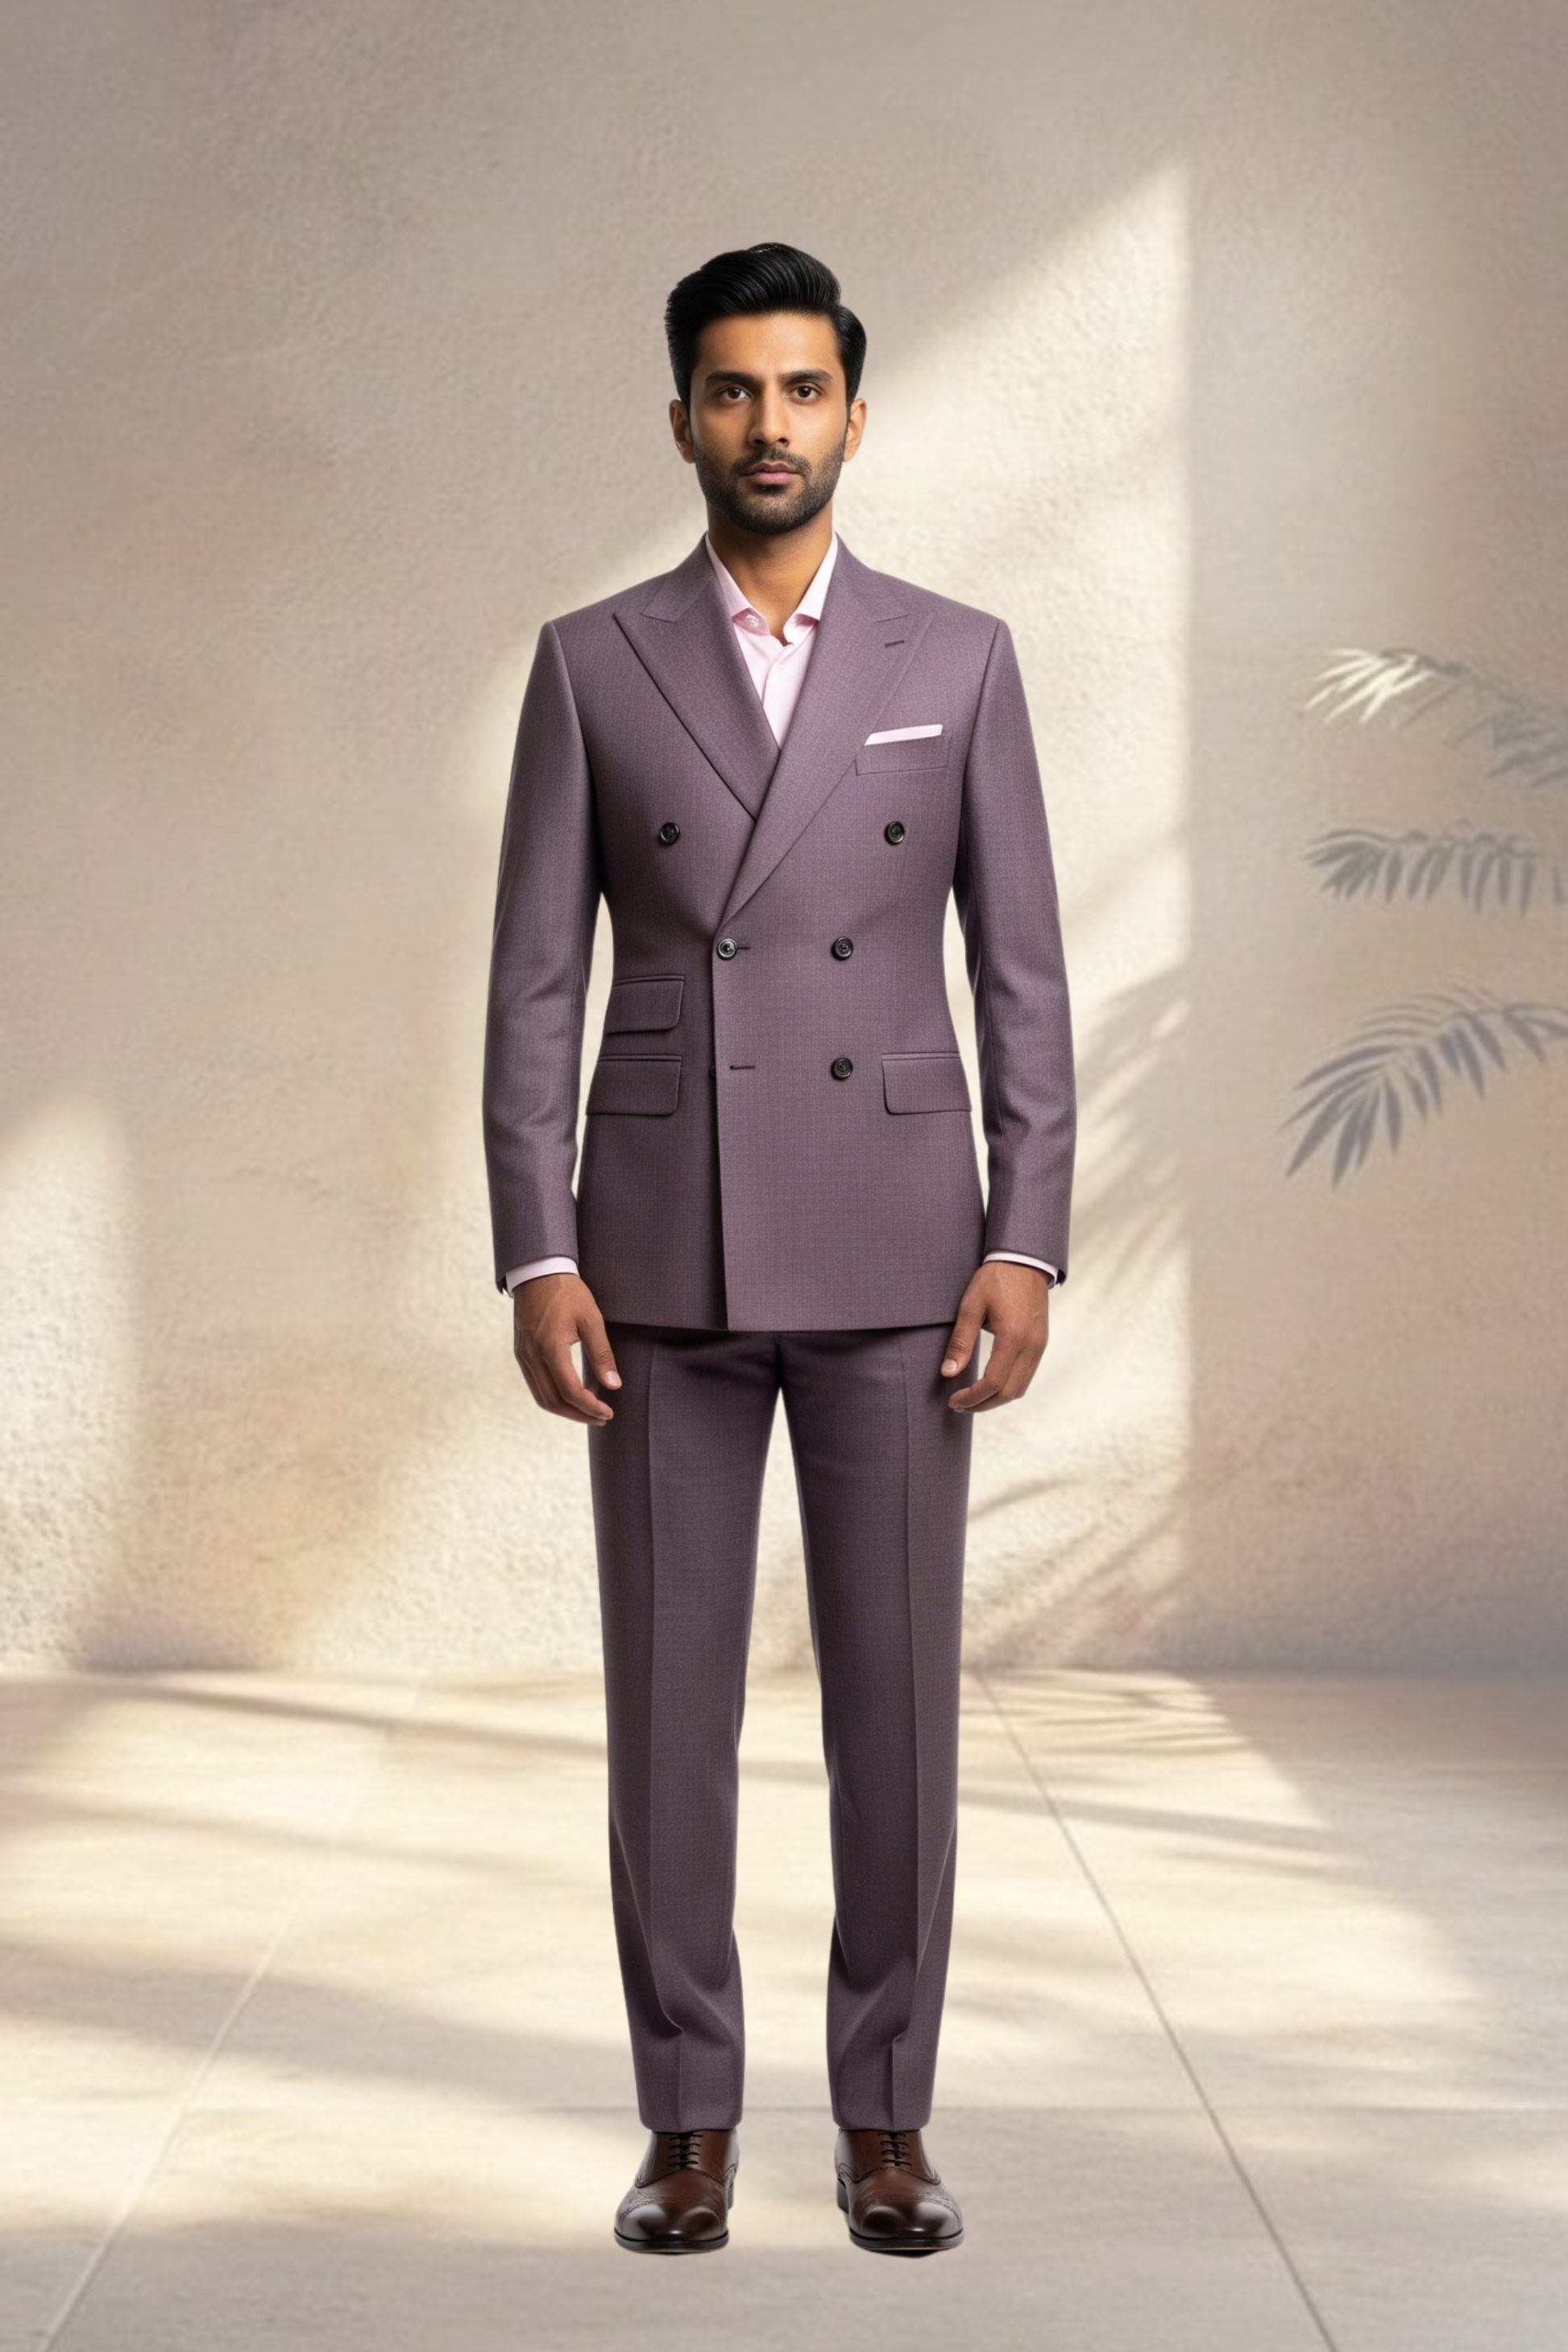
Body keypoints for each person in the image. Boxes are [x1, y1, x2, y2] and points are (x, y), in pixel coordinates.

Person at [482, 242, 1076, 2257]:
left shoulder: (961, 655)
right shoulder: (588, 658)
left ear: (852, 411)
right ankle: (689, 2120)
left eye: (801, 388)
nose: (767, 426)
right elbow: (533, 991)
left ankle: (886, 2116)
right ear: (681, 420)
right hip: (652, 1249)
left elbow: (1023, 981)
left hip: (906, 1251)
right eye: (730, 391)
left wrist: (1032, 1236)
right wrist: (532, 1248)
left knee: (895, 1711)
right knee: (670, 1713)